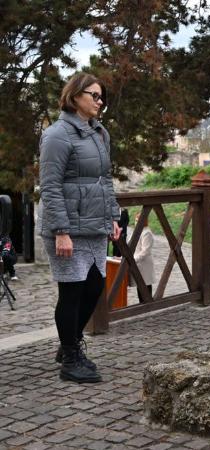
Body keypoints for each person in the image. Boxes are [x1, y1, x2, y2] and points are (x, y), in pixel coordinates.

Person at [39, 72, 122, 384]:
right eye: (94, 95)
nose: (100, 102)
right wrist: (61, 229)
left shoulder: (99, 133)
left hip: (94, 225)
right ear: (75, 96)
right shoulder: (57, 135)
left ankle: (68, 343)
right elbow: (49, 185)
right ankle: (71, 358)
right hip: (67, 227)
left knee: (95, 287)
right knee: (71, 291)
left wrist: (112, 216)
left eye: (102, 97)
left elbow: (105, 179)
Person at [131, 211, 155, 303]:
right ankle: (142, 303)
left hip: (144, 264)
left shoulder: (146, 232)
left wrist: (134, 260)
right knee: (139, 285)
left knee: (145, 284)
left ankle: (147, 304)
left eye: (138, 220)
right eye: (135, 220)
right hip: (138, 262)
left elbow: (145, 251)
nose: (136, 222)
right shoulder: (137, 231)